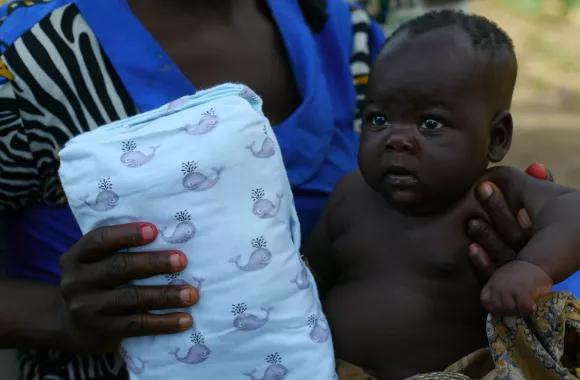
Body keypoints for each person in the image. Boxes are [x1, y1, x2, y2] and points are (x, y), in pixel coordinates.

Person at [0, 1, 559, 379]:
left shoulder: (342, 32)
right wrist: (58, 316)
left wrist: (511, 245)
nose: (398, 139)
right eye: (380, 123)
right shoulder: (28, 59)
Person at [304, 10, 580, 380]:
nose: (396, 139)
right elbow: (308, 277)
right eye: (378, 119)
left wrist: (534, 266)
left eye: (430, 123)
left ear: (496, 137)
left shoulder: (494, 193)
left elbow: (572, 209)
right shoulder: (350, 197)